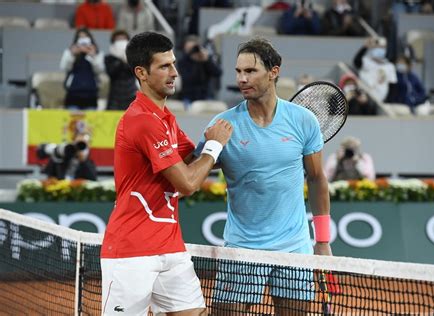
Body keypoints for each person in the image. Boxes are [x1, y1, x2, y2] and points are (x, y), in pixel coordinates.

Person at [195, 38, 332, 315]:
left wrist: (323, 241)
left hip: (294, 247)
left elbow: (317, 179)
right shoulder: (222, 125)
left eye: (250, 71)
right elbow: (191, 175)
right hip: (241, 248)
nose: (242, 79)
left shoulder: (304, 120)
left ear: (274, 72)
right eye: (238, 72)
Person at [100, 32, 233, 316]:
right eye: (164, 66)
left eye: (173, 64)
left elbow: (199, 161)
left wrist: (259, 150)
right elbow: (187, 183)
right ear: (141, 73)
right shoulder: (141, 121)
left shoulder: (165, 119)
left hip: (170, 247)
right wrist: (214, 145)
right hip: (131, 252)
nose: (174, 73)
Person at [60, 27, 104, 110]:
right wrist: (72, 55)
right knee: (73, 121)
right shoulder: (69, 52)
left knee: (90, 122)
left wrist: (93, 56)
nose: (83, 41)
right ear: (76, 40)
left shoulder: (97, 53)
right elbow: (64, 67)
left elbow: (100, 70)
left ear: (90, 39)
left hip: (91, 94)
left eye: (85, 38)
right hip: (73, 93)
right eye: (80, 38)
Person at [177, 35, 222, 109]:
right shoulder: (182, 61)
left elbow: (217, 72)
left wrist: (207, 61)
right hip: (188, 96)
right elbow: (187, 79)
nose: (191, 51)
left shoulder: (206, 59)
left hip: (205, 95)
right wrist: (195, 62)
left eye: (194, 48)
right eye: (189, 49)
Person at [353, 37, 398, 103]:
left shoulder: (389, 66)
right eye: (377, 47)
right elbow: (356, 62)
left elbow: (392, 86)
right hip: (366, 99)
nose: (380, 49)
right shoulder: (366, 61)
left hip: (382, 100)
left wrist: (389, 101)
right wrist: (365, 47)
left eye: (382, 48)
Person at [104, 29, 137, 110]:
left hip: (131, 94)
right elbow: (111, 72)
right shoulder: (109, 58)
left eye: (123, 39)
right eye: (118, 40)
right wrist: (120, 60)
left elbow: (136, 72)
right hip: (115, 97)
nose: (121, 42)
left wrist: (127, 59)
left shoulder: (134, 58)